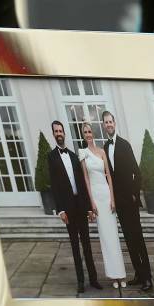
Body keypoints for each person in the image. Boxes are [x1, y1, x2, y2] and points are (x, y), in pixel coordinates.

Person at [47, 120, 102, 293]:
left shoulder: (72, 155)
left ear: (64, 132)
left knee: (87, 244)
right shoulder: (51, 157)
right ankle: (80, 281)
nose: (59, 133)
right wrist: (60, 210)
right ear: (54, 134)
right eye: (56, 131)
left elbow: (82, 183)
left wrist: (88, 208)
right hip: (68, 210)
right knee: (75, 246)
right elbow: (54, 186)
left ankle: (93, 279)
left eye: (60, 130)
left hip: (80, 206)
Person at [102, 111, 153, 291]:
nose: (108, 124)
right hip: (119, 203)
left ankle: (148, 278)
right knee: (129, 241)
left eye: (110, 121)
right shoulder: (104, 148)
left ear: (114, 123)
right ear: (103, 125)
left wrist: (134, 194)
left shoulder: (125, 145)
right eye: (105, 122)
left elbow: (136, 173)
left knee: (138, 239)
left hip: (130, 201)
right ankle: (138, 274)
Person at [78, 123, 127, 289]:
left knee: (114, 236)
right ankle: (113, 276)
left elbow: (109, 176)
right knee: (105, 238)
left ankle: (121, 274)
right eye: (85, 132)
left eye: (90, 131)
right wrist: (91, 203)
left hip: (107, 196)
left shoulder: (102, 152)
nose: (88, 134)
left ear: (93, 132)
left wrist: (113, 199)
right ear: (83, 135)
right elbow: (85, 179)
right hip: (96, 198)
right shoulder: (82, 153)